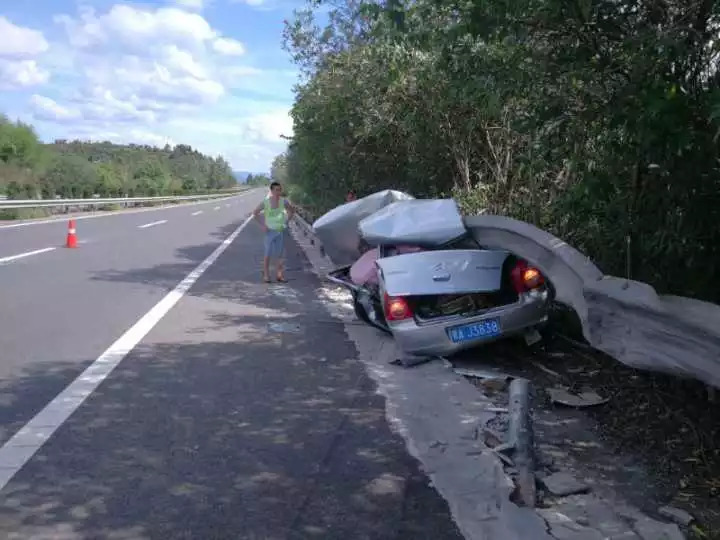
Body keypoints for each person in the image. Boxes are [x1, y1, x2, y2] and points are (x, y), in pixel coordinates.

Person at [253, 181, 295, 283]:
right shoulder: (266, 202)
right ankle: (266, 275)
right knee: (267, 254)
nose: (278, 192)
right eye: (276, 190)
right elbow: (255, 213)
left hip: (279, 230)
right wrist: (263, 226)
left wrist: (285, 222)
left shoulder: (283, 201)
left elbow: (291, 211)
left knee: (280, 255)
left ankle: (279, 275)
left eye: (280, 190)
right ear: (271, 191)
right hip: (269, 231)